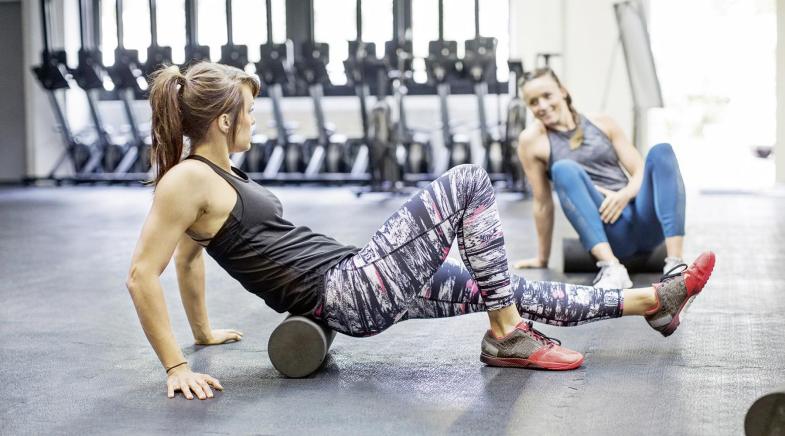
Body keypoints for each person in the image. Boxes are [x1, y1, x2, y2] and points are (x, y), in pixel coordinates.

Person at [126, 62, 715, 401]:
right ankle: (509, 337)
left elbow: (189, 260)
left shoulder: (218, 175)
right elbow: (141, 275)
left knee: (503, 286)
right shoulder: (187, 180)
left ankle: (650, 303)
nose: (254, 120)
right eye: (249, 112)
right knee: (466, 181)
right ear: (225, 119)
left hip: (357, 281)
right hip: (349, 290)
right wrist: (179, 365)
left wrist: (205, 331)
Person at [513, 68, 689, 289]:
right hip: (610, 228)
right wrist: (542, 258)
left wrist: (623, 195)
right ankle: (611, 268)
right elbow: (542, 203)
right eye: (534, 102)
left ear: (562, 92)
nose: (542, 106)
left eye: (547, 96)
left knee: (662, 151)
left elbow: (639, 170)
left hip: (643, 219)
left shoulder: (603, 123)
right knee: (563, 168)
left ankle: (675, 267)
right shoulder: (532, 141)